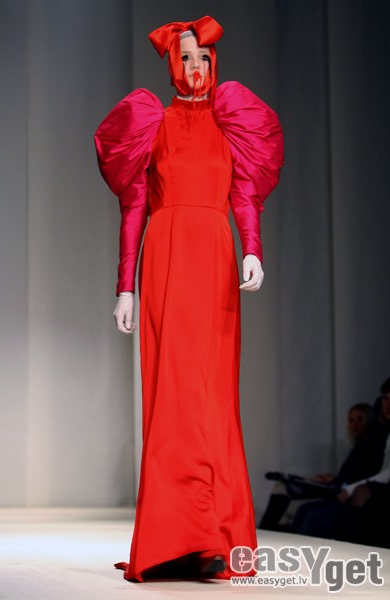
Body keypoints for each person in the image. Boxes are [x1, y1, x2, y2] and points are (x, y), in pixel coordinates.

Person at [94, 15, 283, 582]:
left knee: (214, 397)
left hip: (215, 263)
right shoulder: (151, 122)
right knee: (173, 394)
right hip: (168, 261)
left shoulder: (232, 121)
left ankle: (216, 535)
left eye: (204, 57)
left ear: (213, 62)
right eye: (186, 58)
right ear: (172, 65)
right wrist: (125, 286)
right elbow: (134, 208)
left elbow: (244, 194)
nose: (195, 67)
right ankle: (177, 539)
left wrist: (252, 249)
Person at [259, 403, 386, 531]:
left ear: (369, 420)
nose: (355, 425)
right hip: (338, 489)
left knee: (306, 511)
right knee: (289, 494)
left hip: (344, 493)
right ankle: (267, 530)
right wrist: (333, 480)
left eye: (360, 419)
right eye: (351, 420)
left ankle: (266, 530)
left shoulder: (372, 446)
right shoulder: (359, 446)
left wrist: (335, 481)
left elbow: (361, 478)